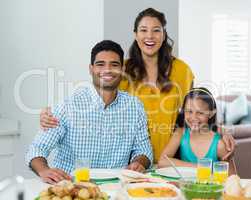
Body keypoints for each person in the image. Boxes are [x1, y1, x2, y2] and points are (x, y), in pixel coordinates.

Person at [39, 8, 235, 163]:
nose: (149, 36)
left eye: (156, 30)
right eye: (143, 30)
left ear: (164, 34)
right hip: (133, 161)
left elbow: (196, 108)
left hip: (171, 159)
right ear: (135, 34)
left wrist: (220, 130)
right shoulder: (121, 70)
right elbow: (95, 101)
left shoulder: (182, 70)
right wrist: (53, 113)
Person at [25, 40, 153, 184]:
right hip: (72, 188)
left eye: (114, 65)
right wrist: (44, 170)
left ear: (122, 69)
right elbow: (37, 148)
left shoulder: (135, 107)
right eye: (100, 64)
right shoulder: (68, 106)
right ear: (91, 69)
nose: (108, 70)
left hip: (117, 188)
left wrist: (139, 163)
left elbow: (144, 150)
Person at [158, 87, 236, 175]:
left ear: (211, 113)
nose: (193, 117)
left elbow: (232, 177)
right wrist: (201, 167)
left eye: (200, 113)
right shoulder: (180, 134)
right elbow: (162, 162)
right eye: (189, 111)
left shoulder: (220, 145)